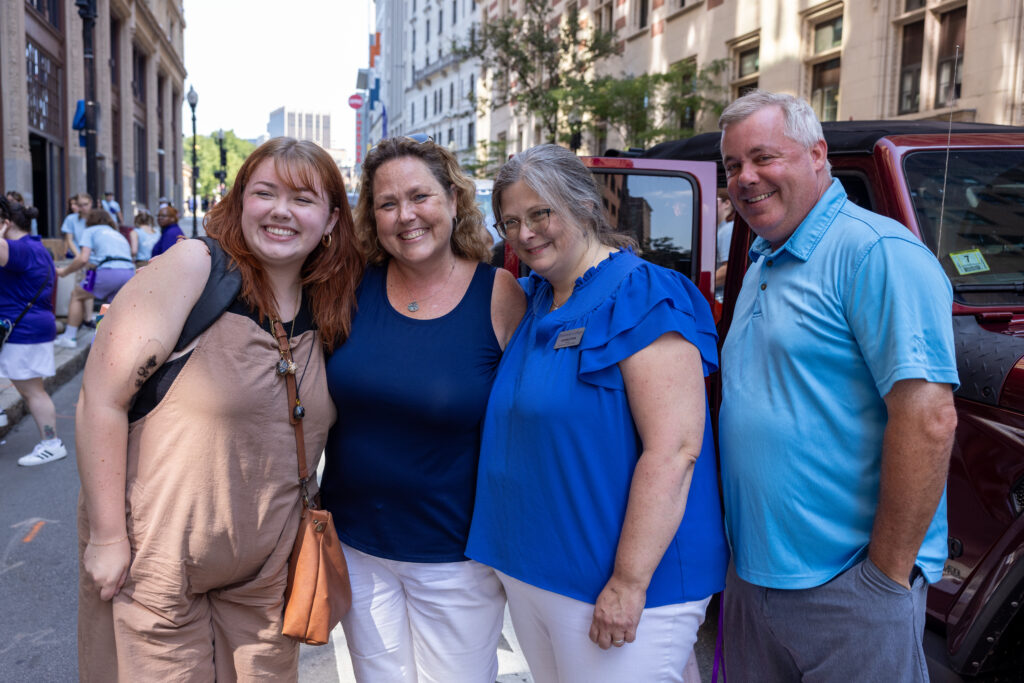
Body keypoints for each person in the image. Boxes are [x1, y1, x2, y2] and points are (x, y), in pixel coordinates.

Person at [75, 137, 363, 682]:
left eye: (303, 199)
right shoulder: (194, 267)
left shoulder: (329, 302)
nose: (281, 210)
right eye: (264, 193)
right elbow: (101, 399)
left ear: (330, 220)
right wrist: (108, 537)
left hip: (266, 578)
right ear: (239, 202)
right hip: (155, 567)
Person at [716, 91, 959, 682]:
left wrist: (884, 578)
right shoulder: (764, 259)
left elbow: (929, 419)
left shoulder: (877, 252)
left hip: (849, 586)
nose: (746, 178)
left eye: (763, 157)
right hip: (755, 577)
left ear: (817, 153)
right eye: (732, 166)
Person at [466, 144, 729, 682]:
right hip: (537, 571)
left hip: (623, 586)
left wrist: (629, 582)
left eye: (541, 213)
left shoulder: (645, 294)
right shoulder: (534, 297)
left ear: (584, 204)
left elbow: (675, 451)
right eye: (511, 221)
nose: (525, 232)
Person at [318, 135, 525, 682]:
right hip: (356, 548)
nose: (405, 215)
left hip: (456, 558)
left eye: (420, 197)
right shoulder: (348, 291)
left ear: (453, 200)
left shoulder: (499, 294)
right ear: (372, 217)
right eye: (387, 204)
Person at [0, 198, 66, 467]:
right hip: (30, 326)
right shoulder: (36, 247)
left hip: (22, 329)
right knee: (31, 388)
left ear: (7, 223)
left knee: (32, 391)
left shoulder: (19, 249)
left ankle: (51, 444)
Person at [54, 209, 135, 348]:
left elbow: (83, 258)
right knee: (112, 306)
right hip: (129, 272)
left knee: (77, 295)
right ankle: (111, 341)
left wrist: (64, 272)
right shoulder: (117, 234)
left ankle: (69, 337)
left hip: (109, 271)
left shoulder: (91, 230)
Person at [714, 189, 735, 303]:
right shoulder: (721, 229)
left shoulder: (728, 229)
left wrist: (695, 287)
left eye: (714, 199)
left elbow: (728, 269)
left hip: (720, 299)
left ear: (727, 203)